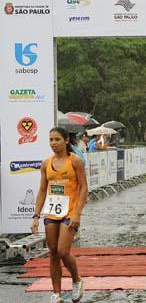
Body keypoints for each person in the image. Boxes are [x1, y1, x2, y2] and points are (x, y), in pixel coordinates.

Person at [30, 127, 88, 303]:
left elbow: (84, 188)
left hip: (70, 211)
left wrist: (78, 213)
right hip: (52, 212)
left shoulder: (75, 161)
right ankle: (56, 293)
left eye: (57, 139)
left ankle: (77, 280)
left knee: (63, 251)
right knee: (53, 252)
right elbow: (41, 190)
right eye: (51, 140)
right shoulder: (46, 163)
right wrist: (35, 216)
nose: (53, 143)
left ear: (66, 141)